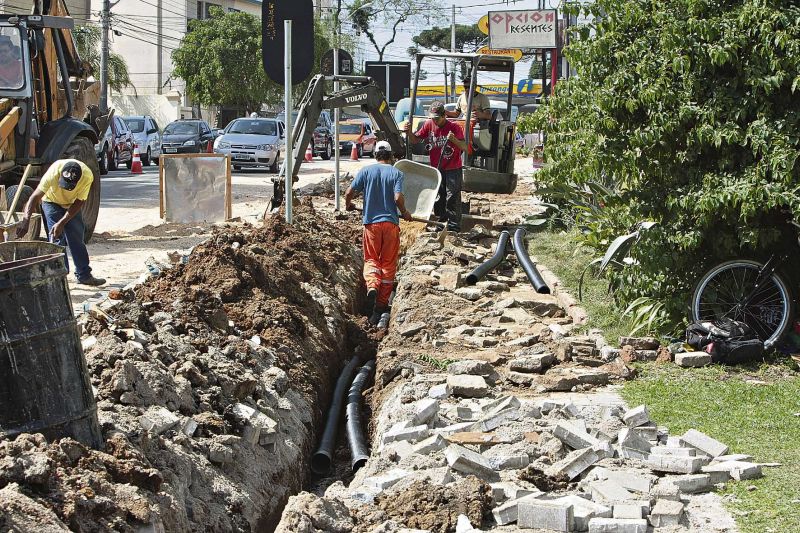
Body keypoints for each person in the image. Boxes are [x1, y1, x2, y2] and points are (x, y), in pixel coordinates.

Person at [345, 140, 412, 324]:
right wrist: (405, 212)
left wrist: (348, 205)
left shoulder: (366, 171)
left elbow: (349, 192)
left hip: (372, 225)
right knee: (388, 264)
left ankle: (372, 285)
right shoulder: (396, 173)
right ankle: (381, 306)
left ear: (375, 155)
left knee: (372, 259)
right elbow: (397, 197)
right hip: (391, 224)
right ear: (390, 156)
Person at [16, 159, 106, 286]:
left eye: (70, 187)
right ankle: (60, 278)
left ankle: (84, 275)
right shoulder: (53, 172)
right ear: (60, 175)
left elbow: (79, 202)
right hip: (51, 202)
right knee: (56, 240)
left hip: (72, 205)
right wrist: (26, 221)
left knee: (77, 239)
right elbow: (34, 198)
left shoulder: (87, 176)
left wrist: (62, 222)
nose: (67, 190)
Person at [404, 100, 468, 231]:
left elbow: (465, 147)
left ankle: (454, 226)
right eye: (433, 118)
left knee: (452, 196)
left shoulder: (455, 128)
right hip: (437, 168)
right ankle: (441, 223)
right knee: (439, 196)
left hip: (453, 168)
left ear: (444, 115)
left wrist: (454, 140)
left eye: (437, 119)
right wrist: (409, 132)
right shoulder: (429, 124)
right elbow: (415, 140)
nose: (435, 121)